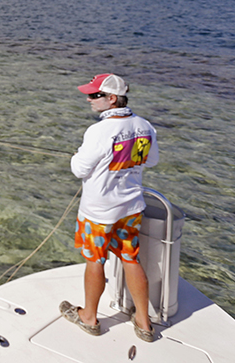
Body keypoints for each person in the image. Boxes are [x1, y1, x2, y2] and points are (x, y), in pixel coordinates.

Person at [59, 73, 158, 343]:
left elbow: (79, 169)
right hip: (131, 208)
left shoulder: (98, 131)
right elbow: (151, 161)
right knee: (130, 259)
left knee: (95, 261)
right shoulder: (145, 125)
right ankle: (144, 323)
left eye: (95, 95)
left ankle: (89, 318)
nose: (89, 99)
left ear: (112, 98)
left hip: (99, 212)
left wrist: (77, 155)